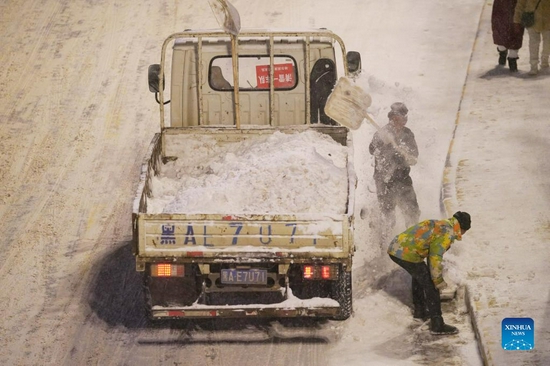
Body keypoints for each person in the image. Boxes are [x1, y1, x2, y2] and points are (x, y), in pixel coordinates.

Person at [387, 211, 471, 336]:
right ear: (462, 228)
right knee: (430, 283)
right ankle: (437, 324)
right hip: (405, 253)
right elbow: (434, 257)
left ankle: (420, 311)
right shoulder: (446, 232)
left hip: (397, 248)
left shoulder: (442, 225)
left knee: (420, 276)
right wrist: (437, 280)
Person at [369, 102, 420, 238]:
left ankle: (412, 240)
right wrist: (382, 143)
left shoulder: (408, 134)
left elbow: (414, 157)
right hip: (385, 181)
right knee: (387, 216)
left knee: (413, 211)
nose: (402, 121)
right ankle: (385, 245)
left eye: (404, 118)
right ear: (392, 118)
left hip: (403, 178)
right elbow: (372, 150)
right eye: (398, 118)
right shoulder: (381, 133)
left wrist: (404, 152)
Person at [514, 0, 550, 75]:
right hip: (532, 19)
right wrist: (517, 20)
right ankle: (533, 66)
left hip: (548, 20)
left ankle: (545, 60)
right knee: (534, 44)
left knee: (548, 43)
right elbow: (520, 5)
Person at [492, 0, 525, 72]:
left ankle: (503, 53)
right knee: (515, 32)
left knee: (501, 31)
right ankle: (512, 59)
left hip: (502, 8)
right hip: (515, 8)